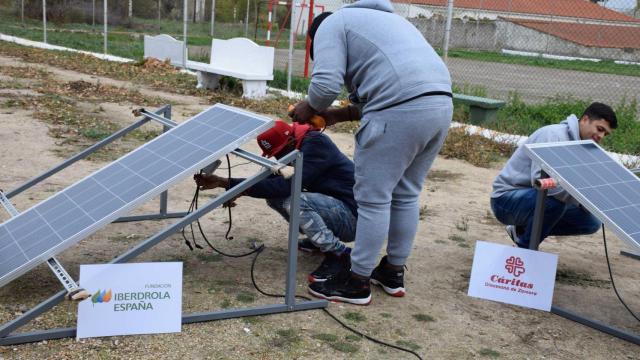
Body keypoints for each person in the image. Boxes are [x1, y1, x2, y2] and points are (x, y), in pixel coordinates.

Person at [289, 0, 453, 305]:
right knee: (405, 193)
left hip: (399, 111)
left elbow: (325, 86)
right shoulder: (389, 23)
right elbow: (392, 84)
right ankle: (392, 272)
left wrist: (309, 106)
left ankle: (357, 280)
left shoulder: (331, 25)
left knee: (373, 199)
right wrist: (339, 115)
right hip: (440, 107)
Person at [194, 120, 358, 283]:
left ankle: (339, 254)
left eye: (280, 151)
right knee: (275, 198)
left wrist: (231, 185)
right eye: (275, 154)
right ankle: (319, 240)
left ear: (291, 140)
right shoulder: (295, 145)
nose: (279, 157)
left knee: (297, 201)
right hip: (335, 208)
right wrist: (230, 185)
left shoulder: (316, 144)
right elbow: (268, 179)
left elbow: (285, 186)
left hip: (352, 217)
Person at [491, 102, 617, 249]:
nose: (601, 136)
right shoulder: (553, 135)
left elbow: (576, 185)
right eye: (600, 129)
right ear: (584, 120)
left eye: (605, 134)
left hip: (535, 200)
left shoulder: (585, 146)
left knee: (590, 222)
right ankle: (525, 249)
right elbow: (542, 183)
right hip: (506, 199)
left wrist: (590, 201)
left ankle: (521, 231)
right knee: (554, 203)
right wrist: (583, 199)